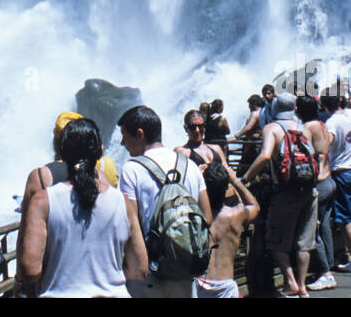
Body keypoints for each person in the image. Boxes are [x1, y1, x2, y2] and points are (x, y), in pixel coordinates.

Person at [17, 118, 147, 297]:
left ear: (62, 152)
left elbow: (30, 271)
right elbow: (139, 269)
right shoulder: (122, 203)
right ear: (100, 152)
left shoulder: (43, 202)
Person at [118, 105, 213, 298]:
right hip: (186, 272)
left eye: (124, 136)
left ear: (139, 134)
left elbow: (129, 224)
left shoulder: (131, 170)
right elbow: (207, 217)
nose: (122, 143)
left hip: (150, 275)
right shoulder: (191, 166)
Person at [246, 94, 319, 297]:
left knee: (276, 241)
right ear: (295, 108)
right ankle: (303, 286)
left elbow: (265, 155)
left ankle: (290, 282)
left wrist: (246, 177)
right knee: (304, 242)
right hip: (310, 190)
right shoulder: (304, 127)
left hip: (285, 192)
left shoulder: (272, 128)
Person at [197, 161, 260, 297]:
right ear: (226, 188)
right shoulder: (236, 214)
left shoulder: (196, 216)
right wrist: (235, 180)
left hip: (199, 283)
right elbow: (255, 206)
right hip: (225, 285)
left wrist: (197, 175)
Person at [323, 92, 351, 274]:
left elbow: (327, 142)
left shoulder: (331, 122)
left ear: (324, 107)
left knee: (346, 220)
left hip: (343, 172)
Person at [298, 93, 337, 291]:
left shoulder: (307, 128)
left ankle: (324, 273)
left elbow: (300, 151)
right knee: (324, 227)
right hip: (329, 179)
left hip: (318, 183)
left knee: (313, 230)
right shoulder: (323, 124)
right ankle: (328, 263)